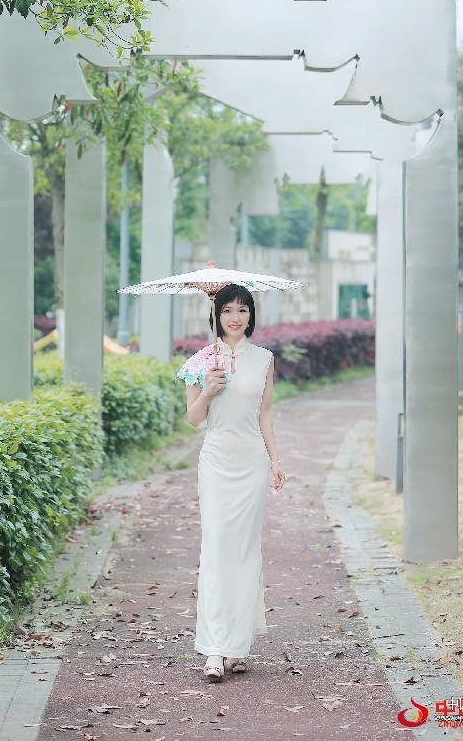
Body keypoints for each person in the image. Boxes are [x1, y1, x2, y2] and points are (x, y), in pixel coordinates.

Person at [176, 283, 286, 683]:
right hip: (216, 461)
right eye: (227, 310)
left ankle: (237, 646)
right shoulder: (199, 361)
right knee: (217, 546)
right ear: (216, 315)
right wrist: (207, 391)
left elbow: (265, 413)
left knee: (244, 550)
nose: (235, 317)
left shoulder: (264, 359)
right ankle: (214, 649)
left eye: (242, 309)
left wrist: (275, 460)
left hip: (251, 462)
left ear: (250, 315)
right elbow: (193, 420)